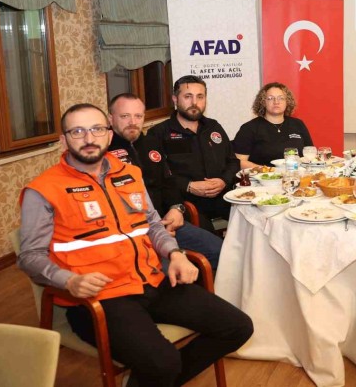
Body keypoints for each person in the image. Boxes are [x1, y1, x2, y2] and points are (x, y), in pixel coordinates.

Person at [17, 103, 252, 387]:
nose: (89, 138)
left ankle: (149, 380)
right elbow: (30, 256)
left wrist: (175, 254)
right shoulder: (43, 189)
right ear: (64, 140)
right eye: (77, 131)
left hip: (151, 280)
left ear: (108, 134)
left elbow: (152, 225)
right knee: (163, 363)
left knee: (238, 327)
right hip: (99, 298)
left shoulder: (129, 174)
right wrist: (68, 281)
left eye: (96, 129)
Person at [108, 93, 222, 269]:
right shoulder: (102, 153)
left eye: (138, 116)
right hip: (131, 233)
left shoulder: (151, 143)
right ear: (111, 118)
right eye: (125, 116)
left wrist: (176, 208)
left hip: (167, 222)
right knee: (168, 271)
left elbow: (168, 181)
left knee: (221, 251)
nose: (132, 122)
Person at [146, 75, 239, 231]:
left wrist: (223, 180)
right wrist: (189, 186)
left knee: (255, 220)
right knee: (211, 241)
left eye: (200, 97)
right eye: (188, 96)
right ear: (175, 99)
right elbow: (155, 176)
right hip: (186, 202)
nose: (194, 102)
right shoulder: (158, 133)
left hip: (222, 196)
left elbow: (233, 161)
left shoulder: (213, 126)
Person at [233, 82, 313, 168]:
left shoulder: (298, 124)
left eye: (281, 98)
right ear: (263, 102)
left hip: (296, 174)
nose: (276, 102)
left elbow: (310, 153)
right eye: (270, 98)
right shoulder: (249, 128)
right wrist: (267, 170)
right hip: (263, 175)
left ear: (287, 102)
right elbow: (239, 162)